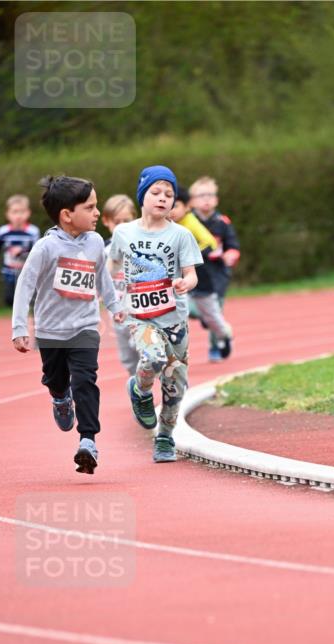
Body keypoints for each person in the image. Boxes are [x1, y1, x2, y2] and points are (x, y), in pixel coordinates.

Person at [11, 175, 123, 474]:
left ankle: (88, 440)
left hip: (85, 326)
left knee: (85, 380)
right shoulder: (45, 248)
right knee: (56, 380)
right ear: (67, 215)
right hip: (50, 331)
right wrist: (19, 327)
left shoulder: (96, 242)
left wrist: (114, 306)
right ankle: (60, 398)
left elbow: (102, 278)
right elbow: (25, 286)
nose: (97, 213)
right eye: (90, 207)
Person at [108, 165, 202, 463]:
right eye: (156, 192)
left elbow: (191, 274)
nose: (162, 198)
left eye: (169, 194)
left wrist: (185, 282)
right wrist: (115, 301)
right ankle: (141, 389)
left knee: (175, 387)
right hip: (140, 316)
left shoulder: (181, 235)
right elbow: (111, 270)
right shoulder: (124, 233)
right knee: (153, 357)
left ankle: (164, 438)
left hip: (175, 319)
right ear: (143, 196)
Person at [188, 176, 240, 362]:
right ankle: (206, 317)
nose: (206, 199)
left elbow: (233, 245)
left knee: (215, 313)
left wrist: (231, 254)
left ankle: (217, 344)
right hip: (194, 273)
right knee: (189, 308)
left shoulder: (222, 222)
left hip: (217, 275)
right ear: (191, 201)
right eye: (201, 195)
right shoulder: (187, 222)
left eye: (210, 195)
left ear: (216, 199)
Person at [101, 193, 139, 376]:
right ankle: (139, 388)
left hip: (139, 309)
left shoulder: (141, 247)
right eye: (117, 222)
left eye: (127, 221)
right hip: (117, 312)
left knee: (139, 343)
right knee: (128, 358)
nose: (122, 226)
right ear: (106, 221)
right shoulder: (103, 250)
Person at [0, 194, 40, 306]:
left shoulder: (33, 232)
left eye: (22, 212)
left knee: (28, 300)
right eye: (15, 212)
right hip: (8, 272)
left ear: (28, 213)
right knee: (9, 299)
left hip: (26, 272)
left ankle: (29, 319)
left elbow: (37, 253)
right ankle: (16, 320)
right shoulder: (3, 231)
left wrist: (21, 252)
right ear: (8, 214)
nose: (18, 216)